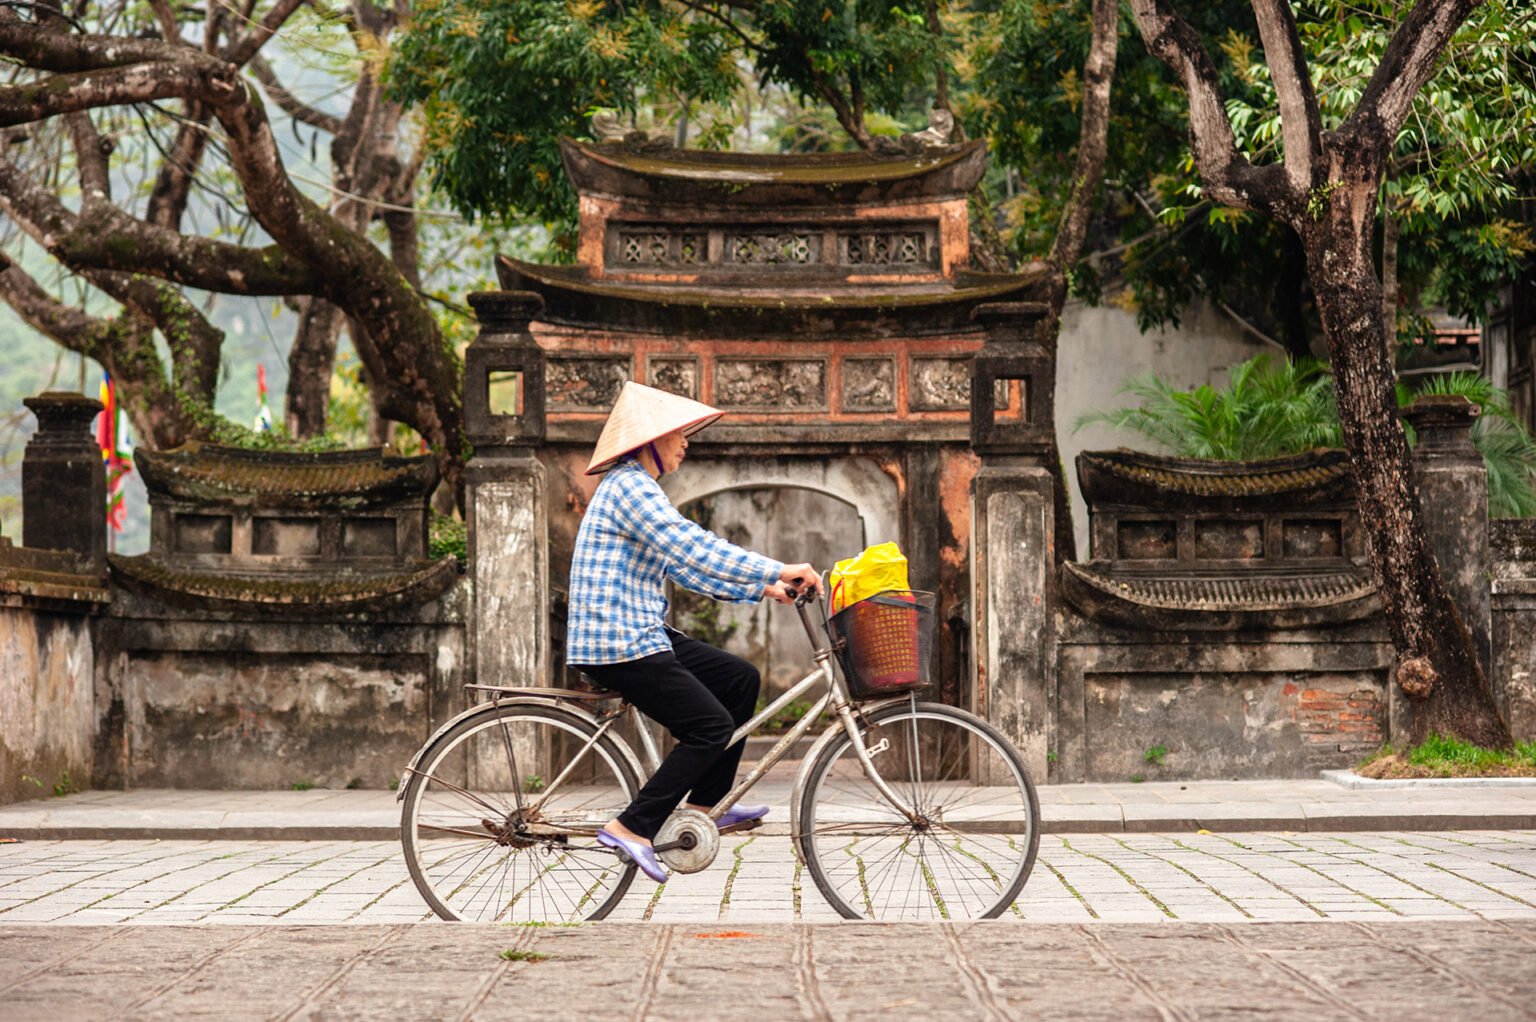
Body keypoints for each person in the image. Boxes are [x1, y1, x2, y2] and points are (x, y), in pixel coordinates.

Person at [566, 381, 822, 883]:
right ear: (649, 440)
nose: (686, 442)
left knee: (738, 679)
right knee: (710, 727)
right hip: (616, 640)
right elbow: (691, 546)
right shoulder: (631, 487)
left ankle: (706, 806)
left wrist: (769, 587)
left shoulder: (638, 488)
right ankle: (632, 826)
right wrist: (779, 565)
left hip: (638, 631)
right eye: (679, 434)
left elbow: (686, 569)